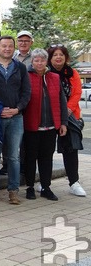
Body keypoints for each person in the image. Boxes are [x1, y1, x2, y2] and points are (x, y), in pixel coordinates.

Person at [0, 36, 31, 205]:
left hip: (16, 117)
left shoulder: (20, 67)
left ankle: (13, 191)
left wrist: (17, 109)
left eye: (10, 46)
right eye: (4, 46)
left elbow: (26, 93)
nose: (7, 49)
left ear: (14, 48)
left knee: (13, 156)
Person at [23, 49, 67, 201]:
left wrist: (63, 123)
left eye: (42, 60)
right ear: (32, 62)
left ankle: (46, 187)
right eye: (36, 60)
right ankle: (29, 187)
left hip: (50, 126)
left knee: (46, 158)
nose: (39, 63)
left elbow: (62, 101)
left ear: (46, 62)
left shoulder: (54, 77)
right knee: (30, 157)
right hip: (31, 125)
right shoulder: (26, 77)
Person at [48, 45, 86, 197]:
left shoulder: (72, 73)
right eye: (55, 55)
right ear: (50, 58)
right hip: (50, 115)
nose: (58, 57)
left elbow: (77, 93)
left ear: (66, 57)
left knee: (70, 149)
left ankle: (74, 182)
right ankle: (44, 182)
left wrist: (67, 110)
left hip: (70, 115)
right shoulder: (46, 73)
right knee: (46, 149)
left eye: (61, 55)